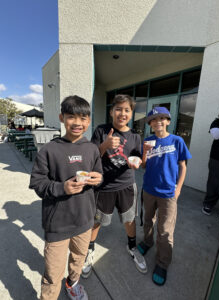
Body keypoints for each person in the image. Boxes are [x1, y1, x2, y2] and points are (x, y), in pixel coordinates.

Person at [29, 95, 103, 300]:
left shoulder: (92, 148)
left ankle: (73, 283)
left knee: (79, 259)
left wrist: (99, 179)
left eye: (83, 118)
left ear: (88, 120)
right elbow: (37, 183)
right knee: (53, 273)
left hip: (85, 220)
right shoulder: (49, 150)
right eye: (71, 117)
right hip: (58, 222)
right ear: (62, 118)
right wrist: (63, 188)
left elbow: (99, 174)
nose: (77, 123)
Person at [81, 94, 147, 279]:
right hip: (103, 186)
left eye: (127, 110)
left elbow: (136, 158)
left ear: (131, 113)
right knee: (97, 220)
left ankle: (132, 246)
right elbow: (92, 156)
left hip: (126, 185)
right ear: (111, 111)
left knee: (129, 219)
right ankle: (89, 250)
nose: (122, 113)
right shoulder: (101, 130)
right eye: (118, 109)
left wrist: (136, 163)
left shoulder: (135, 136)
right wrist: (105, 144)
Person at [137, 107, 192, 286]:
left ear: (168, 121)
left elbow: (183, 166)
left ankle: (162, 263)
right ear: (150, 124)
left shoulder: (177, 141)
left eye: (162, 118)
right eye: (154, 119)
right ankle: (147, 242)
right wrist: (144, 151)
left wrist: (179, 189)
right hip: (149, 189)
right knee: (147, 220)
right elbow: (144, 165)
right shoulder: (148, 140)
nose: (158, 121)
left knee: (165, 230)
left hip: (168, 193)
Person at [202, 104, 219, 220]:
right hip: (217, 158)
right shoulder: (217, 122)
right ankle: (209, 203)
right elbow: (216, 135)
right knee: (214, 182)